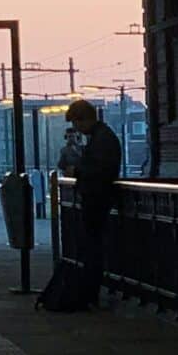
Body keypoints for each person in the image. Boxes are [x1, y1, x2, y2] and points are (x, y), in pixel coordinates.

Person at [59, 98, 124, 308]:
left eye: (77, 123)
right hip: (96, 197)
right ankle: (88, 291)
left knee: (92, 247)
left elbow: (102, 170)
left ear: (85, 119)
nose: (76, 128)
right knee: (91, 246)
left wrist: (76, 171)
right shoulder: (100, 137)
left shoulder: (102, 139)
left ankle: (89, 292)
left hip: (97, 198)